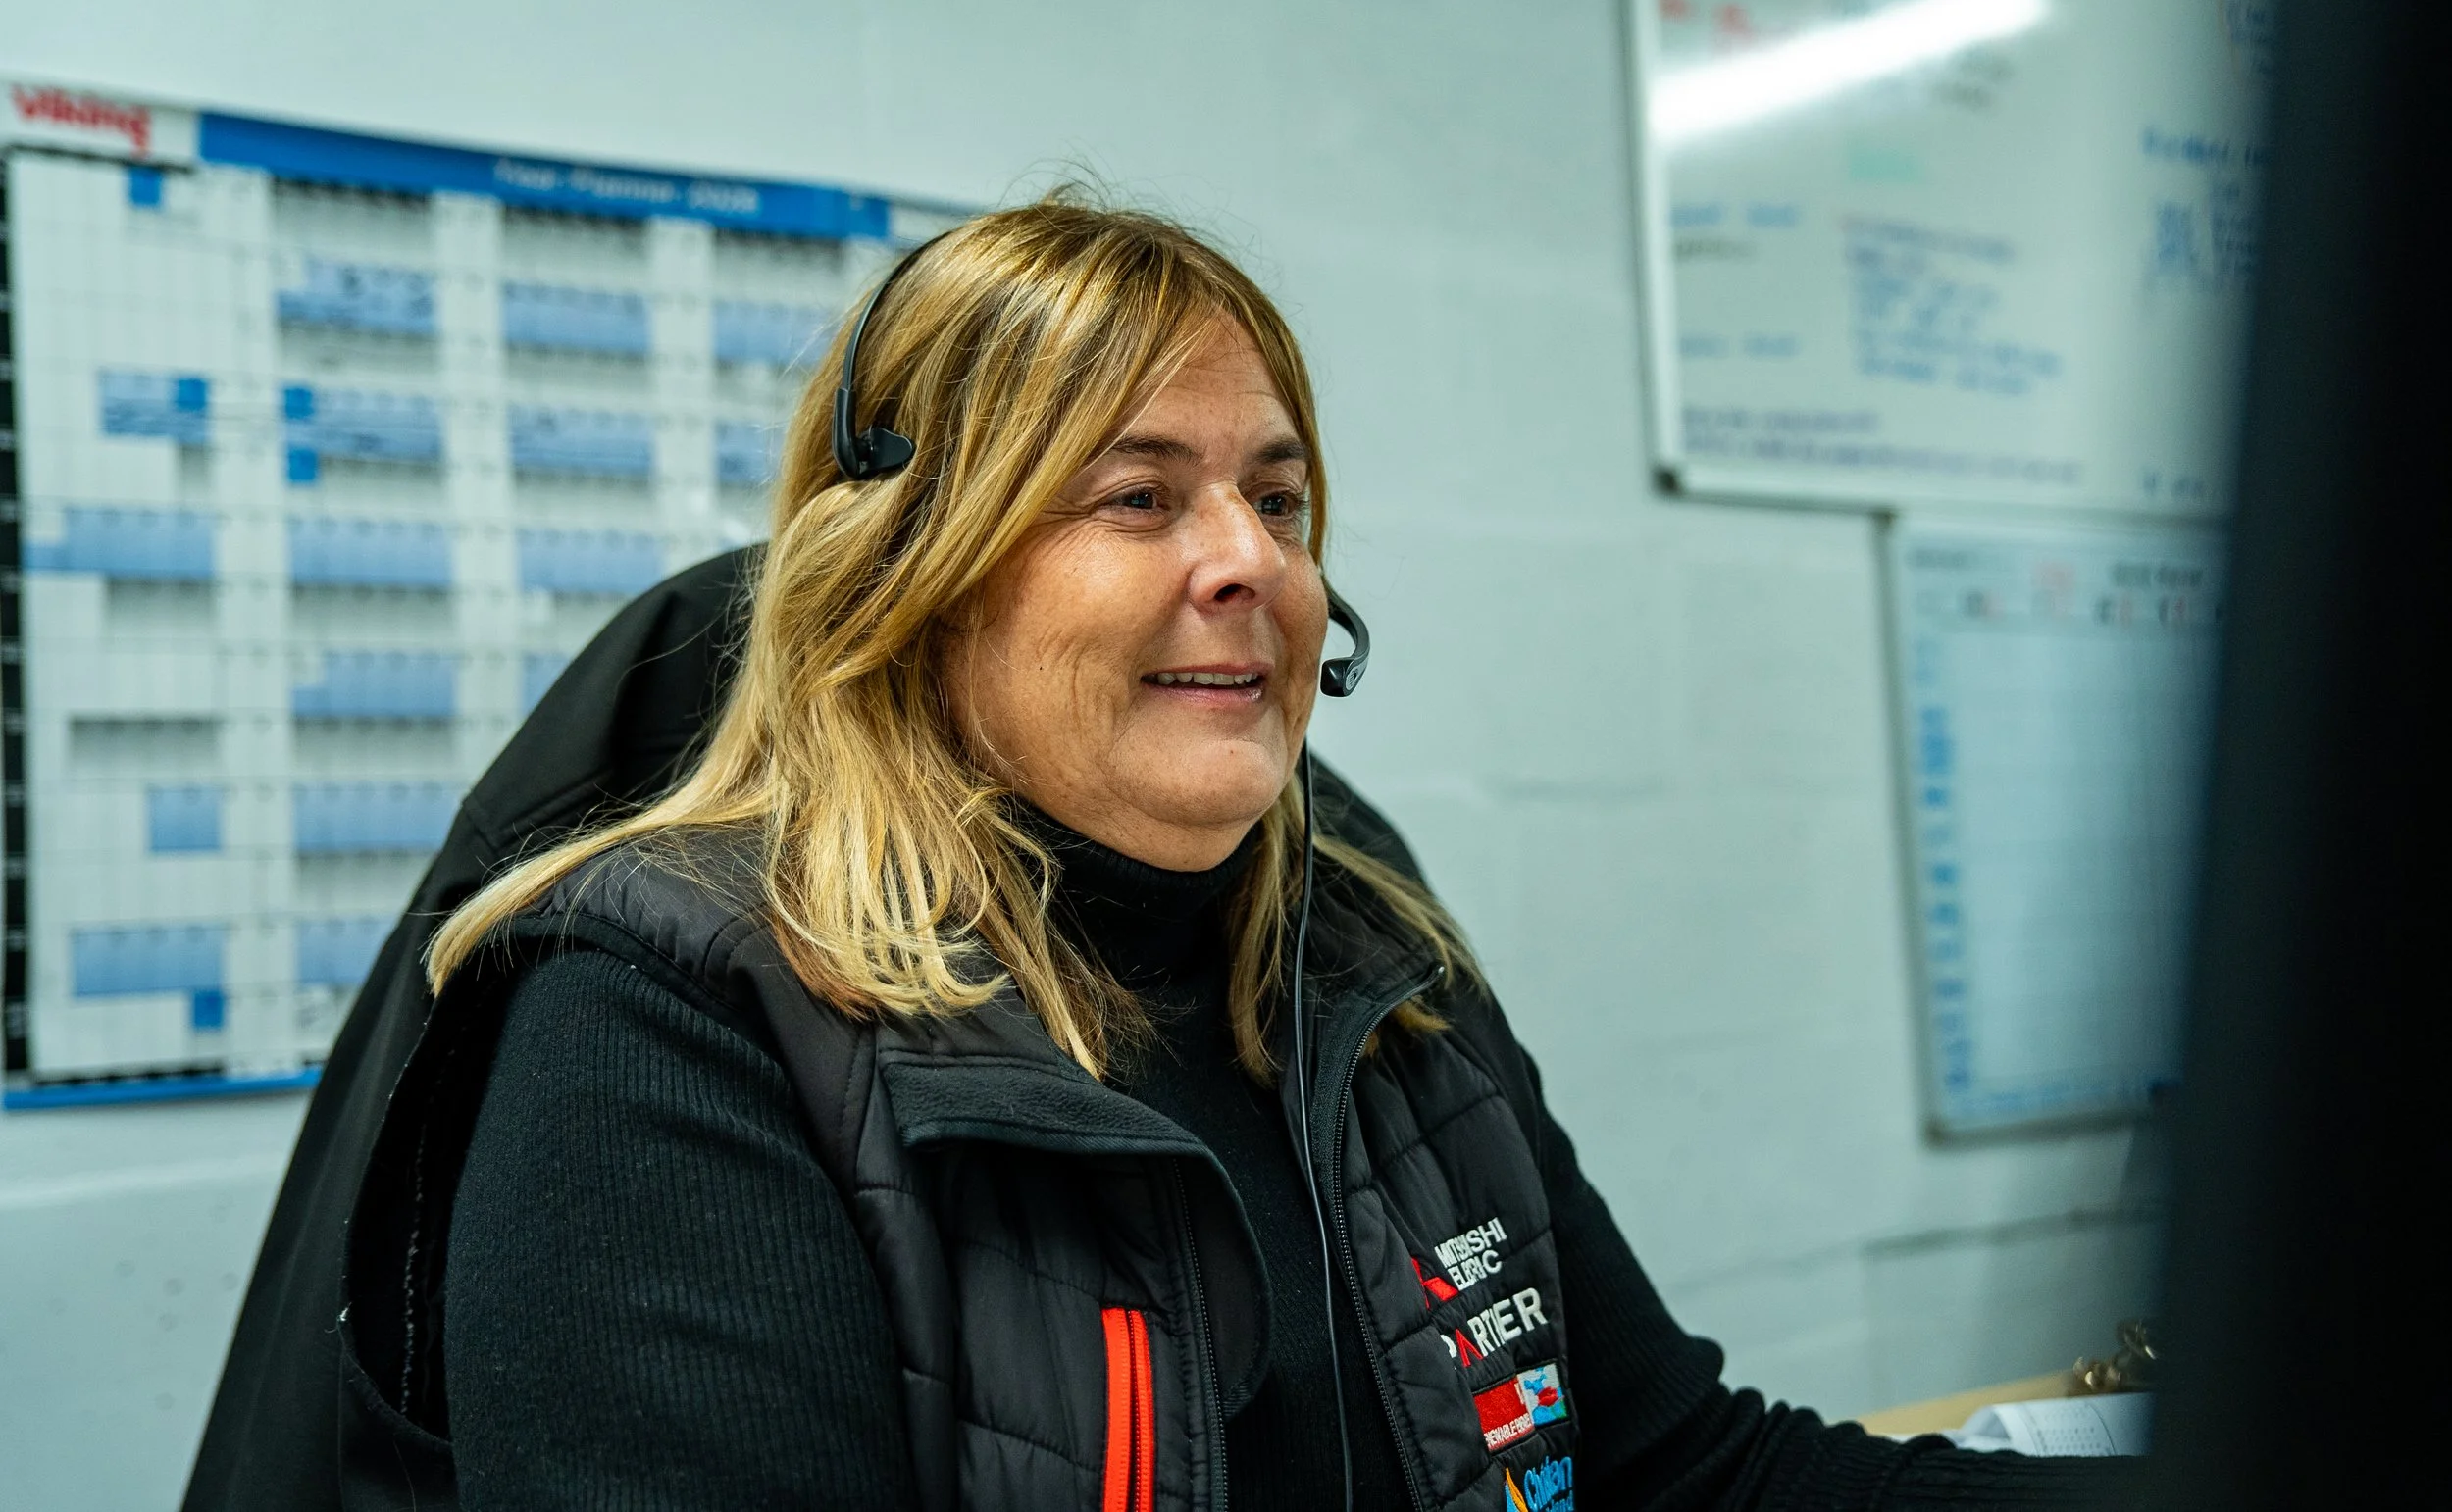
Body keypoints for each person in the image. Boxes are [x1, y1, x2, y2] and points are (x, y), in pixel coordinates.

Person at [331, 198, 2124, 1510]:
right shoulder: (672, 1019)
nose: (1250, 560)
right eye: (1138, 494)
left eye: (1275, 496)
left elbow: (1680, 1477)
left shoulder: (1366, 956)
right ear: (911, 577)